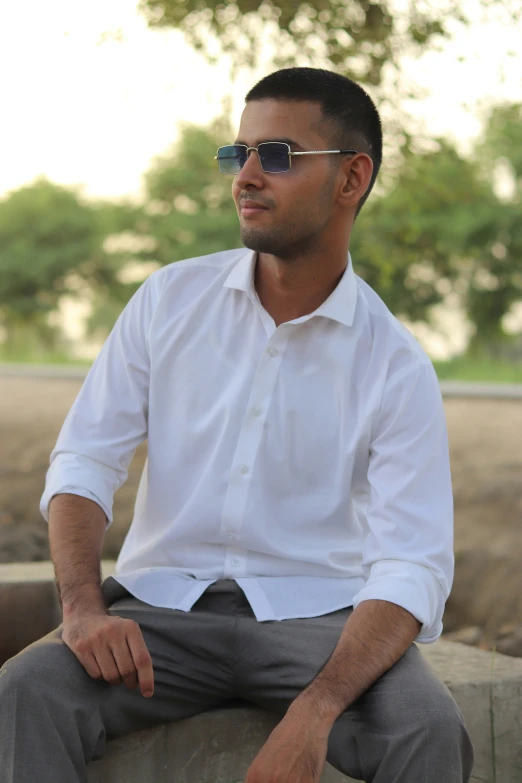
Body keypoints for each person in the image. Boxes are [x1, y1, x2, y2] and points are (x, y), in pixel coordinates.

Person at [0, 67, 474, 783]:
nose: (246, 175)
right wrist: (82, 608)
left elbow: (412, 563)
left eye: (277, 155)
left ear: (351, 178)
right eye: (239, 153)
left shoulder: (396, 363)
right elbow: (85, 460)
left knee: (426, 729)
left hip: (318, 623)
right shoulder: (168, 300)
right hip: (161, 612)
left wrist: (314, 713)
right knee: (24, 691)